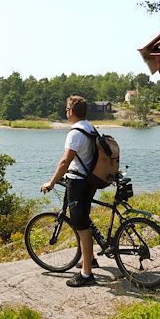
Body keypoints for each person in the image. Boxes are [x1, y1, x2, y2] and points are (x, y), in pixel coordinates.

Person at [40, 95, 99, 287]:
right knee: (83, 221)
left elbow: (65, 162)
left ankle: (87, 274)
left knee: (82, 227)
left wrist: (51, 182)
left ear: (71, 112)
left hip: (78, 184)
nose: (66, 113)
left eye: (67, 110)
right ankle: (90, 258)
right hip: (89, 181)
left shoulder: (75, 133)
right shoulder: (90, 127)